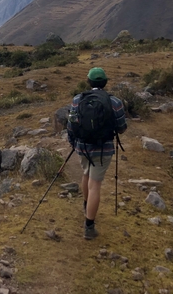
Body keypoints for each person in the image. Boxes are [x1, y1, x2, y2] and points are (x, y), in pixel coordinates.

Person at [67, 67, 127, 240]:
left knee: (86, 174)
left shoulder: (78, 99)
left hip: (82, 147)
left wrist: (74, 143)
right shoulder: (115, 102)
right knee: (95, 185)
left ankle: (86, 207)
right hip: (104, 150)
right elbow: (122, 128)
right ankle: (89, 227)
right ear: (105, 82)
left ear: (89, 81)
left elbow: (71, 126)